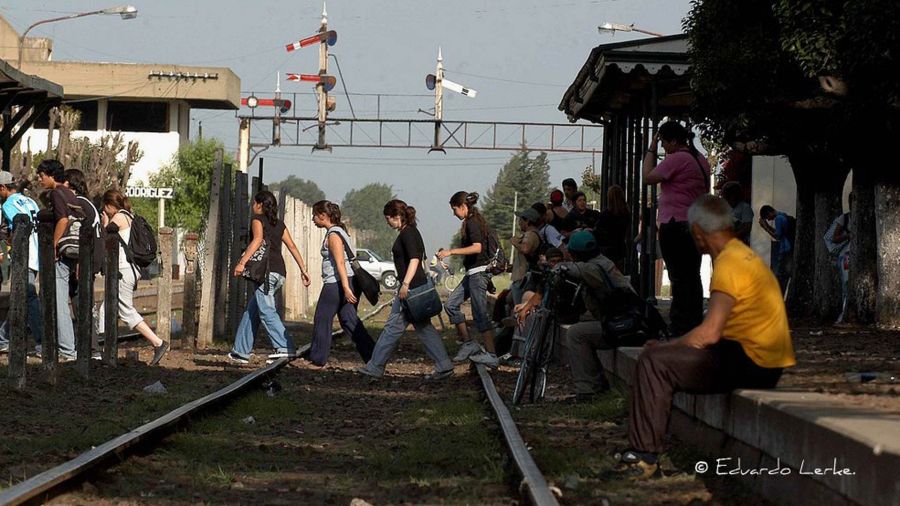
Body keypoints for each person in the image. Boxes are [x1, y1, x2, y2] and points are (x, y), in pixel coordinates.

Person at [617, 195, 794, 479]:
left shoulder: (730, 264)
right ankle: (644, 449)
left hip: (752, 363)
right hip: (764, 361)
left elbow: (709, 333)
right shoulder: (743, 256)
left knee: (653, 362)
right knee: (660, 356)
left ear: (698, 232)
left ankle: (643, 456)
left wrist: (667, 348)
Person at [515, 231, 636, 402]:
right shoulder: (602, 262)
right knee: (581, 325)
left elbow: (577, 269)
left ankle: (587, 390)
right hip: (621, 320)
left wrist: (557, 267)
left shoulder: (593, 268)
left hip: (624, 326)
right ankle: (598, 382)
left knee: (576, 334)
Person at [358, 200, 454, 380]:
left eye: (388, 218)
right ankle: (444, 364)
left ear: (397, 216)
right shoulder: (410, 232)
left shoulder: (408, 234)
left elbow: (415, 259)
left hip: (411, 289)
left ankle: (375, 366)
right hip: (414, 287)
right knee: (424, 327)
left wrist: (405, 284)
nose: (387, 222)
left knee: (392, 328)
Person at [642, 121, 709, 335]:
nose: (662, 147)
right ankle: (694, 320)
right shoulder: (700, 160)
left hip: (675, 223)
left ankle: (680, 324)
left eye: (663, 142)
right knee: (692, 275)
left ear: (673, 141)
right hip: (695, 223)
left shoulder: (677, 159)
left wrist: (650, 148)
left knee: (678, 277)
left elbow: (647, 177)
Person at [229, 191, 312, 364]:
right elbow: (292, 247)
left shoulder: (257, 220)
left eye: (254, 203)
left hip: (266, 273)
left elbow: (257, 240)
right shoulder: (279, 224)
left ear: (259, 205)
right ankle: (240, 351)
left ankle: (285, 347)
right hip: (279, 272)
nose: (253, 206)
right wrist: (303, 269)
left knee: (266, 311)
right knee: (253, 311)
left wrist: (242, 262)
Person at [98, 189, 168, 365]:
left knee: (125, 310)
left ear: (108, 206)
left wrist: (105, 222)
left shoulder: (119, 217)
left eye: (105, 208)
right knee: (104, 310)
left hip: (123, 270)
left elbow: (106, 240)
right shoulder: (129, 215)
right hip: (129, 269)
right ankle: (103, 351)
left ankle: (157, 342)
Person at [308, 200, 375, 366]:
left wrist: (345, 287)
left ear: (323, 216)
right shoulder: (340, 231)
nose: (313, 219)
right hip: (347, 281)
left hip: (336, 283)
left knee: (322, 318)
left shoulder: (333, 235)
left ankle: (318, 359)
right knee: (348, 320)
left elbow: (339, 263)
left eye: (314, 215)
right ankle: (374, 356)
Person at [437, 191, 499, 368]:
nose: (454, 213)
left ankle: (492, 355)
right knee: (451, 305)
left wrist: (450, 252)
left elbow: (477, 247)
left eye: (455, 209)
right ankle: (468, 343)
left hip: (478, 274)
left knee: (479, 314)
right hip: (472, 273)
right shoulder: (470, 221)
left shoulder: (472, 222)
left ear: (463, 207)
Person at [36, 159, 81, 361]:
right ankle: (65, 345)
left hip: (63, 252)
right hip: (75, 251)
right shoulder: (71, 193)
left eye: (41, 175)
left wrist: (54, 244)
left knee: (59, 302)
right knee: (60, 300)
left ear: (50, 174)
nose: (39, 179)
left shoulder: (56, 193)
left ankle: (67, 349)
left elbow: (63, 219)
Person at [0, 172, 43, 354]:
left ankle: (42, 342)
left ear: (3, 188)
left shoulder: (8, 204)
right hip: (37, 252)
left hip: (24, 254)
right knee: (22, 295)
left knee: (28, 296)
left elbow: (16, 229)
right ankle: (4, 337)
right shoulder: (30, 201)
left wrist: (9, 241)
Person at [63, 169, 104, 360]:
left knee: (82, 304)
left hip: (85, 260)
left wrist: (80, 260)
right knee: (83, 303)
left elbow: (83, 232)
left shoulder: (78, 203)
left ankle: (92, 349)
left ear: (69, 184)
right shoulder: (89, 203)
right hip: (91, 259)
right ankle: (89, 347)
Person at [826, 194, 852, 324]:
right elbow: (834, 238)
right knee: (846, 283)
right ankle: (844, 311)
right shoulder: (845, 218)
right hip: (846, 254)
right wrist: (849, 235)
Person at [509, 207, 542, 306]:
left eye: (521, 220)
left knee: (519, 307)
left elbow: (525, 249)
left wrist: (514, 242)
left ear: (527, 221)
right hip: (523, 278)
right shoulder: (533, 234)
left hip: (523, 280)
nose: (519, 223)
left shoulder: (530, 235)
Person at [758, 205, 794, 295]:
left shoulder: (778, 219)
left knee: (781, 276)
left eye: (767, 217)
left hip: (786, 250)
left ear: (770, 212)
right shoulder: (784, 216)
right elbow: (779, 232)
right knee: (784, 276)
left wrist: (765, 228)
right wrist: (767, 226)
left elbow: (777, 236)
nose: (769, 220)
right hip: (790, 249)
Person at [594, 184, 630, 272]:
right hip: (619, 248)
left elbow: (598, 231)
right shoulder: (625, 213)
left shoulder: (606, 214)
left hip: (606, 250)